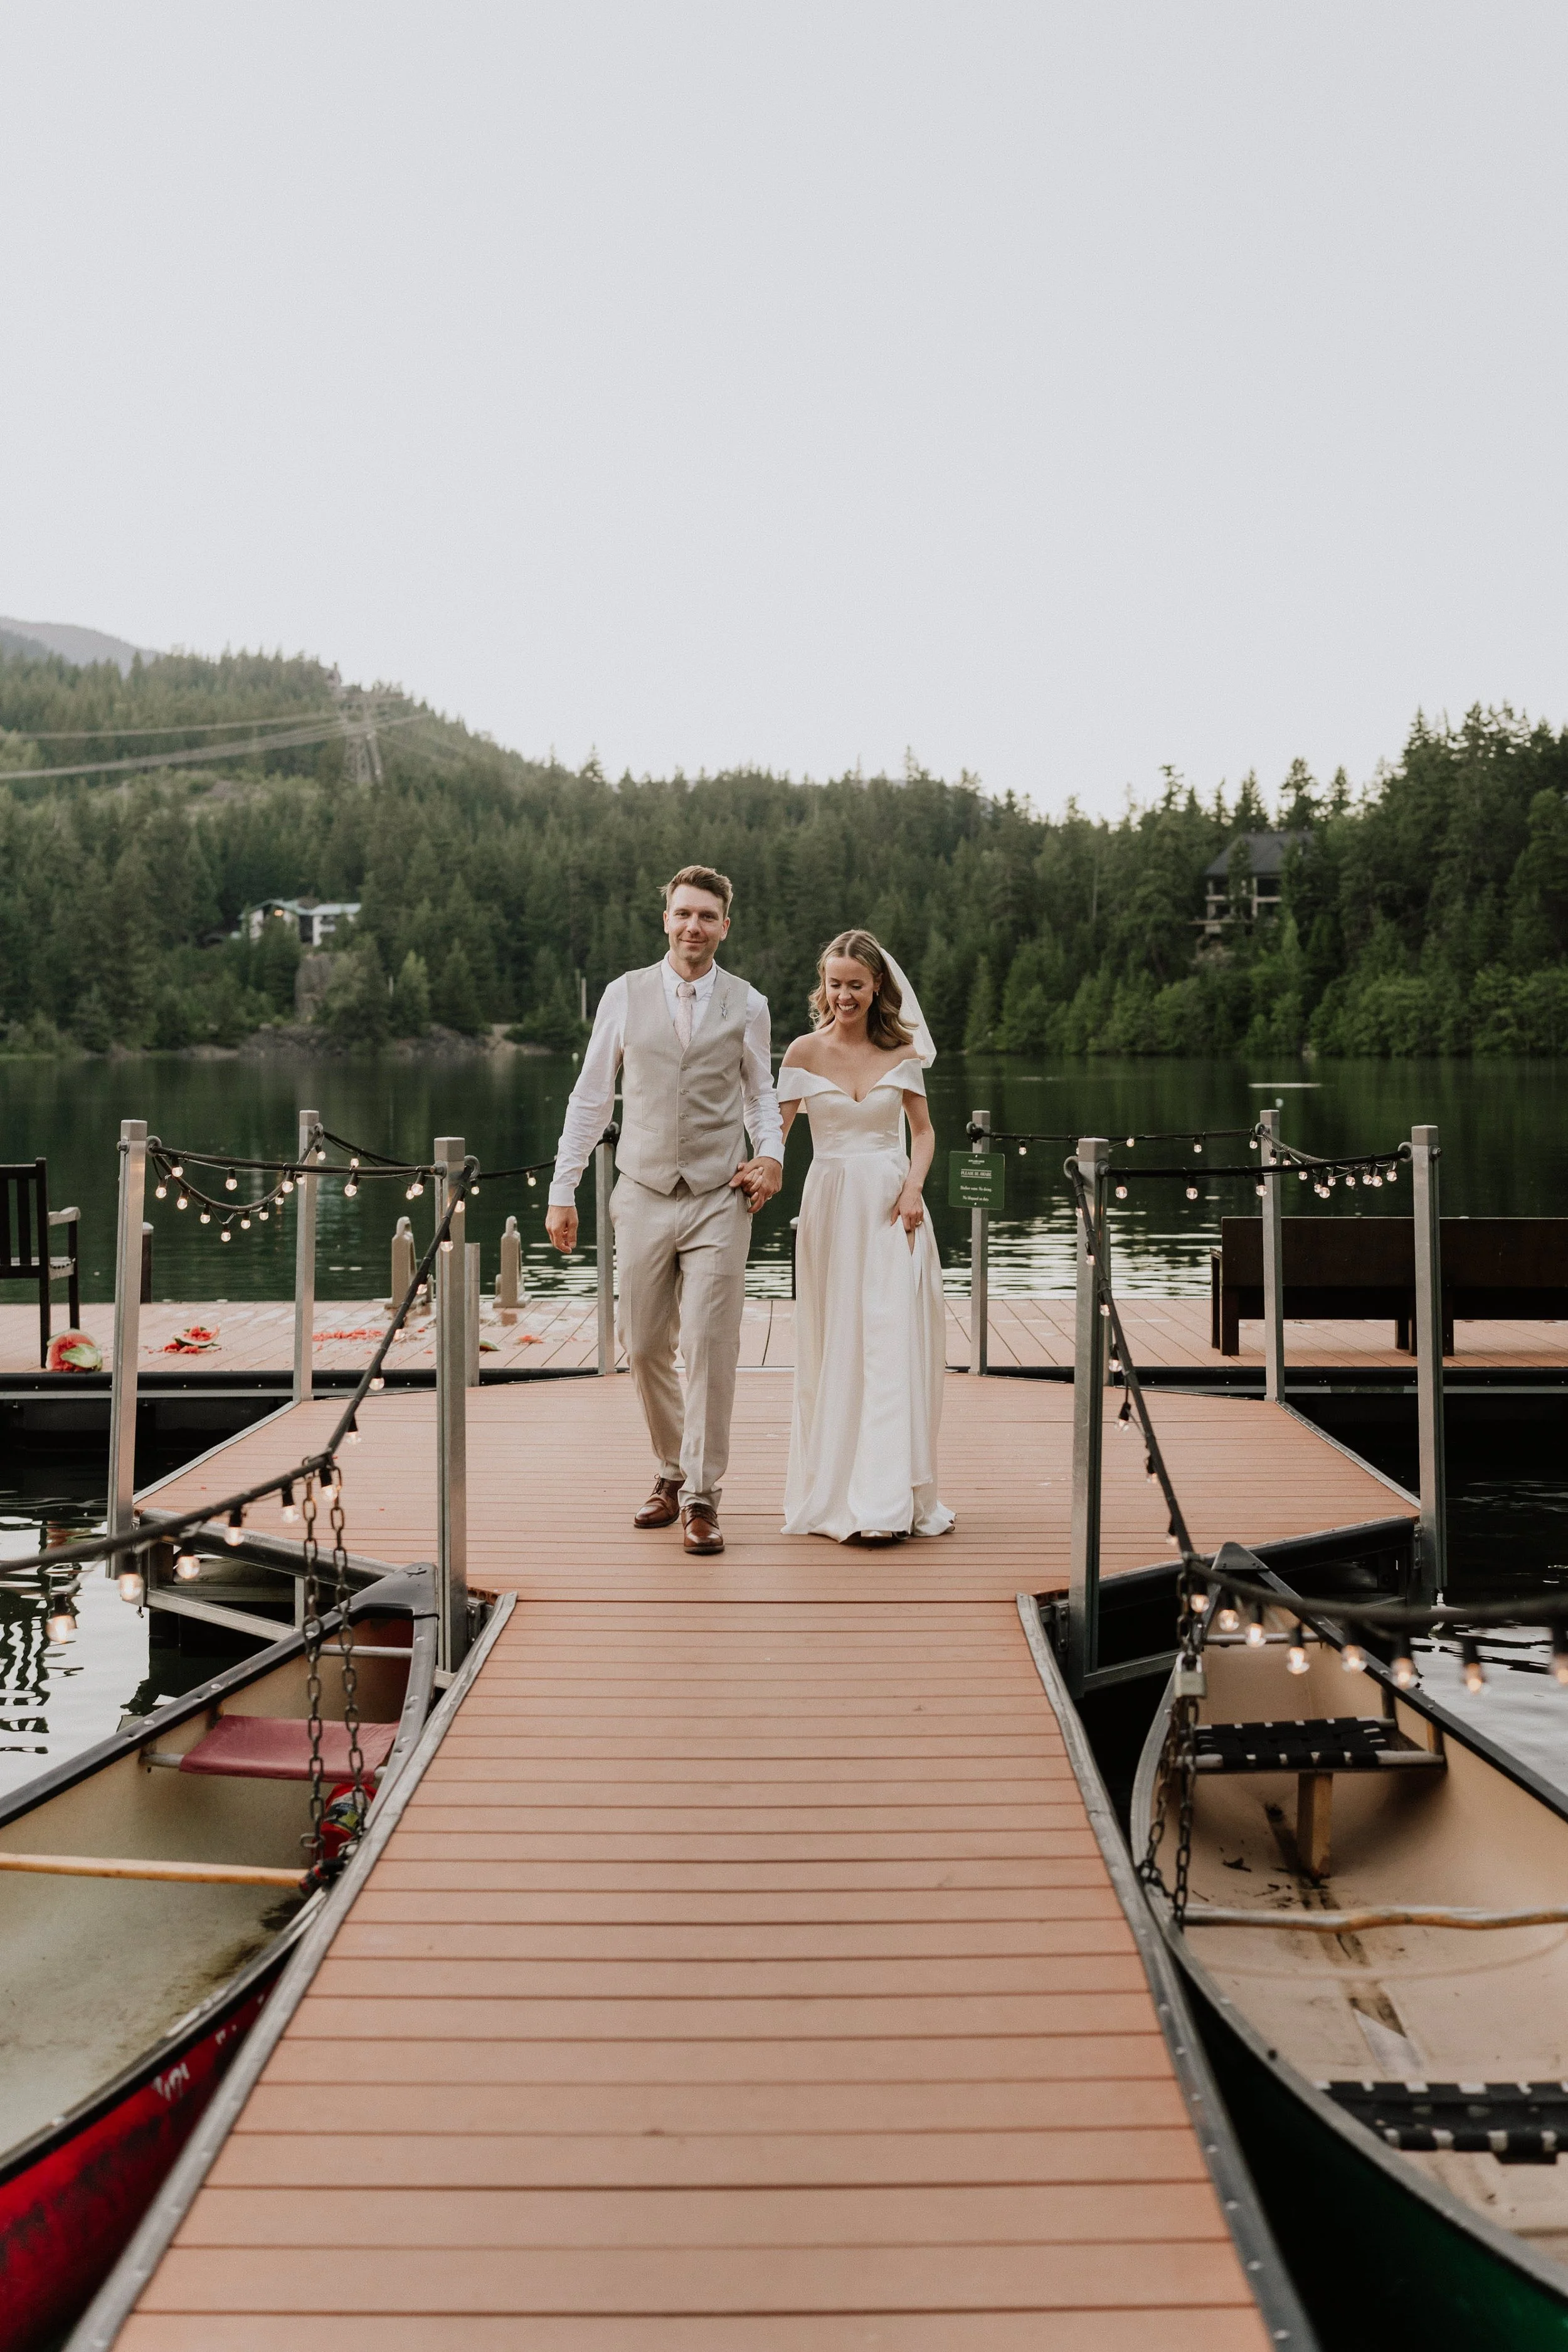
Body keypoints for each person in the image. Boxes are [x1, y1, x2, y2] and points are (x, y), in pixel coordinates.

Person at [545, 866, 783, 1554]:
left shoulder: (749, 1003)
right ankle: (671, 1469)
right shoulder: (624, 995)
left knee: (711, 1346)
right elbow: (592, 1097)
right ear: (665, 920)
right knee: (644, 1343)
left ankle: (703, 1496)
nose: (693, 927)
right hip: (643, 1191)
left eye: (707, 917)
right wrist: (564, 1189)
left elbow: (760, 1097)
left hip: (719, 1195)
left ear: (724, 927)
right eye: (683, 914)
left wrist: (770, 1155)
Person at [778, 930, 954, 1544]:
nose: (844, 994)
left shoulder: (901, 1052)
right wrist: (750, 1176)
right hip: (828, 1204)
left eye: (856, 983)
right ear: (823, 986)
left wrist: (913, 1188)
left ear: (877, 985)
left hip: (889, 1205)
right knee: (836, 1339)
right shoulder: (802, 1053)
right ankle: (834, 1492)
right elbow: (772, 1135)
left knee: (888, 1339)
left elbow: (924, 1132)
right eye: (835, 983)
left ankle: (885, 1500)